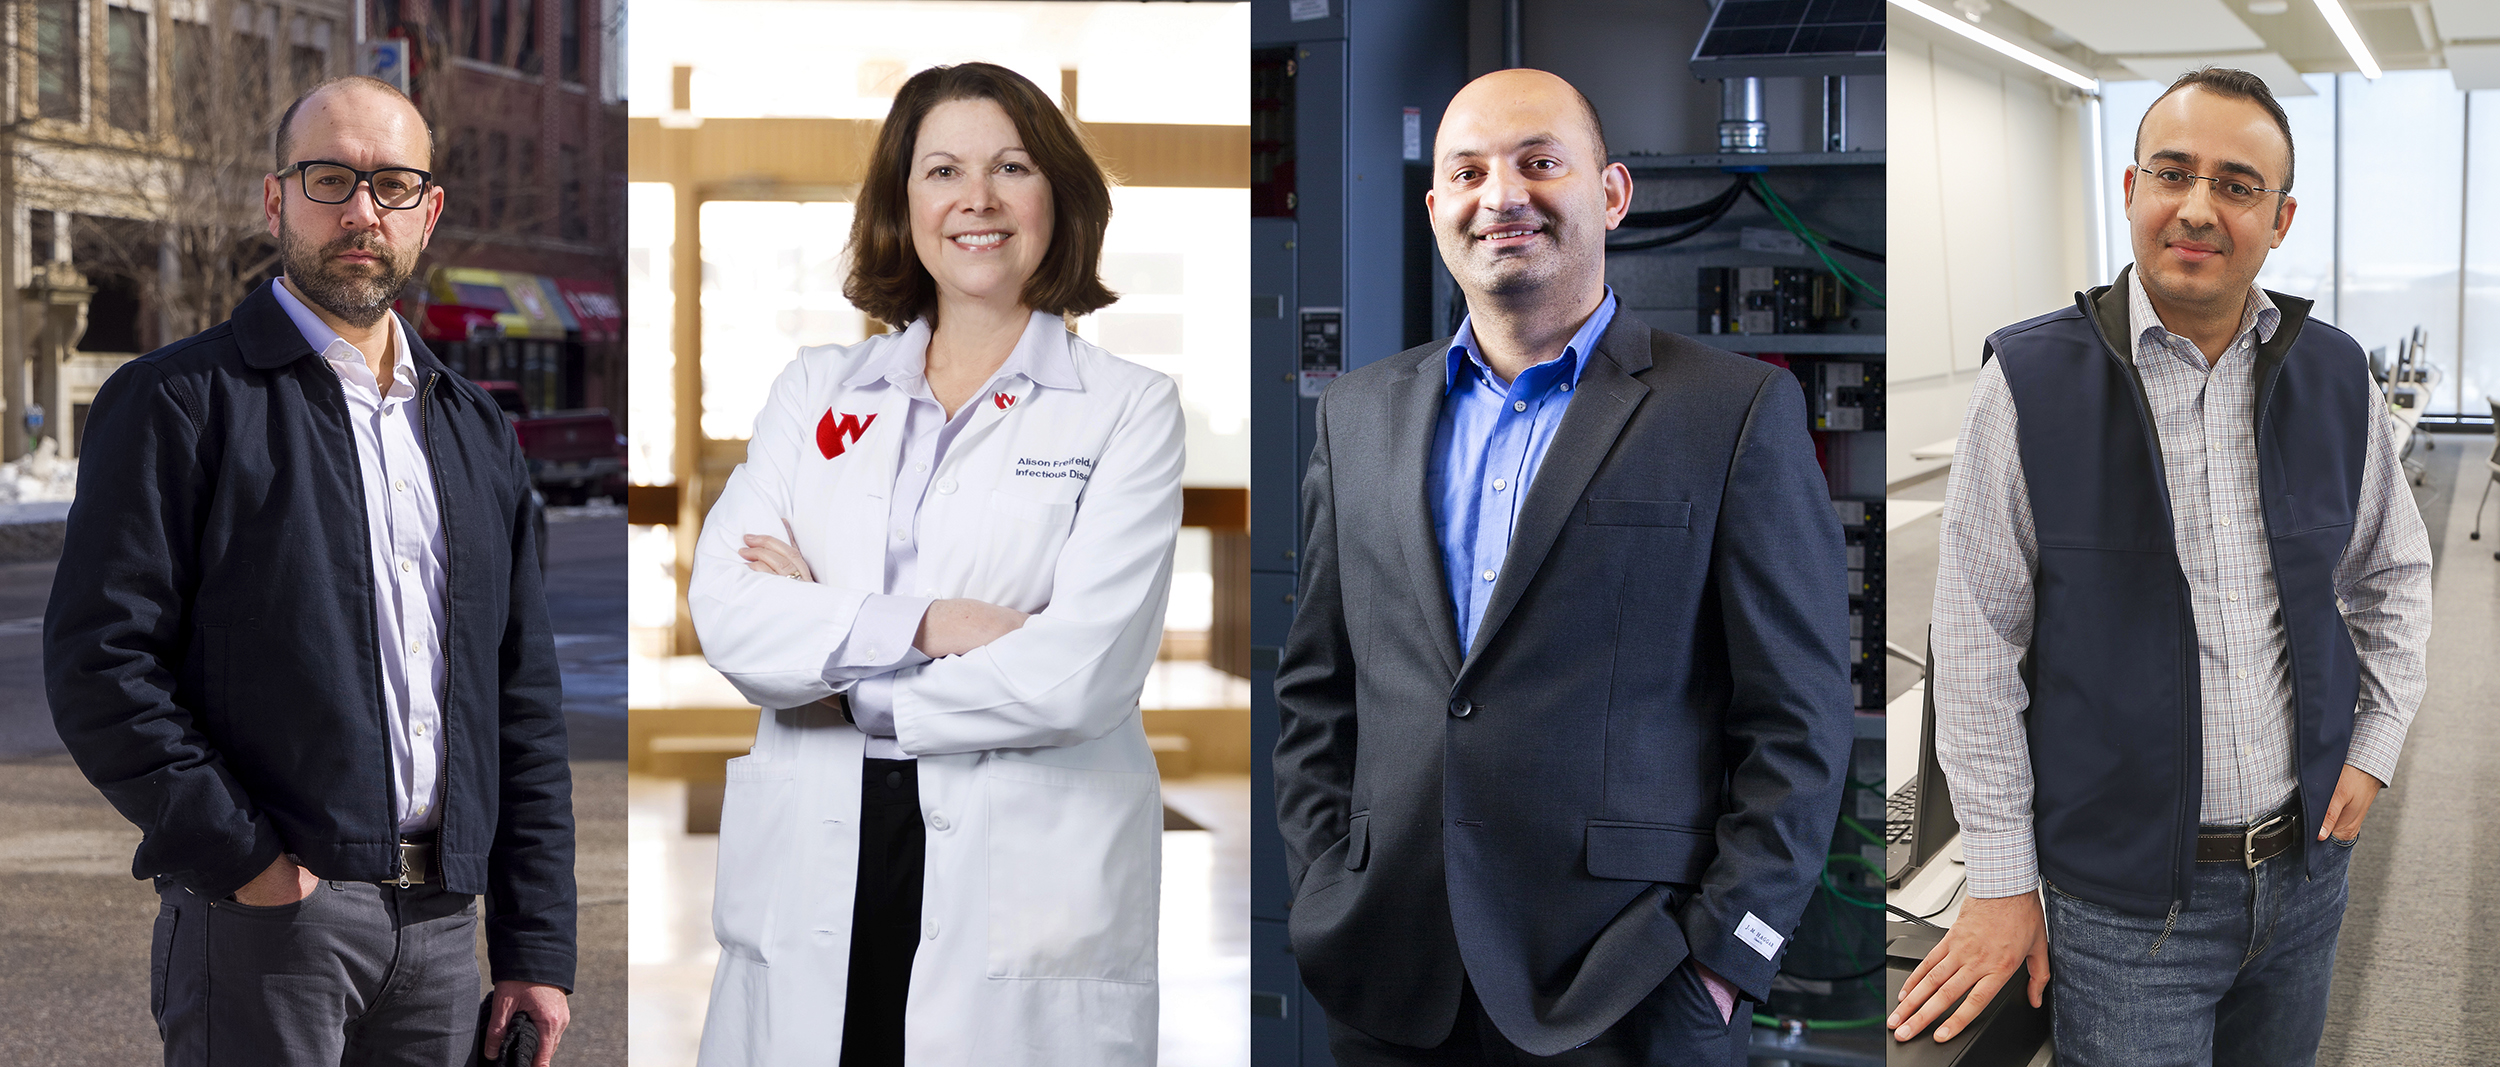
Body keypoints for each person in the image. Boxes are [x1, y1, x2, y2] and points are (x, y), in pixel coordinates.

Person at [1271, 67, 1855, 1066]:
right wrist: (1329, 883)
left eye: (1539, 162)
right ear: (1434, 207)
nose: (1501, 195)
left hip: (1626, 986)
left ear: (1611, 192)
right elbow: (1318, 691)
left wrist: (1723, 959)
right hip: (1390, 980)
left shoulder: (1729, 411)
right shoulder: (1359, 415)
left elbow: (1799, 716)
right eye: (1467, 172)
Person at [1887, 68, 2433, 1065]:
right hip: (2126, 908)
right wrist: (2005, 884)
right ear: (2131, 188)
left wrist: (2374, 739)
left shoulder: (2334, 374)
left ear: (2280, 217)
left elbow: (2389, 572)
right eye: (2171, 172)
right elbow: (1973, 649)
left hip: (2305, 873)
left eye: (2235, 184)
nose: (2196, 207)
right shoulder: (2028, 381)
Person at [45, 75, 575, 1066]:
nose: (362, 210)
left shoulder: (474, 432)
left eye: (392, 184)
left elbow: (522, 701)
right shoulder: (178, 403)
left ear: (429, 212)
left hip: (443, 937)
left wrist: (535, 944)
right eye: (330, 178)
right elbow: (101, 662)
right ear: (274, 198)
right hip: (268, 928)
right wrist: (245, 861)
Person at [686, 62, 1183, 1067]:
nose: (977, 200)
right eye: (942, 169)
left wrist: (836, 654)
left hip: (1024, 871)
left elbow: (1081, 670)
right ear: (900, 202)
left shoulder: (1128, 406)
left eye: (1011, 167)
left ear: (1059, 198)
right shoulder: (816, 387)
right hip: (818, 840)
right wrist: (928, 625)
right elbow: (731, 613)